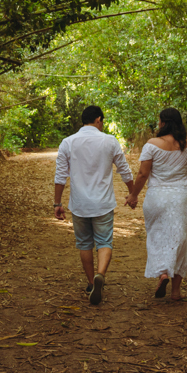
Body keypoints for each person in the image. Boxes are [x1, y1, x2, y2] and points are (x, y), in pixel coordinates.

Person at [54, 105, 135, 305]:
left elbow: (60, 176)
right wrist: (133, 193)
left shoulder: (68, 142)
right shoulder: (110, 141)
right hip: (103, 204)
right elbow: (124, 170)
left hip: (79, 204)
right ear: (98, 120)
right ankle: (101, 274)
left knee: (84, 244)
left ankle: (91, 283)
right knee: (105, 242)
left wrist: (57, 203)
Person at [125, 107, 187, 301]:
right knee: (181, 241)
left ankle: (162, 272)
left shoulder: (151, 145)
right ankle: (176, 291)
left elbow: (143, 174)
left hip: (156, 198)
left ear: (162, 122)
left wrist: (133, 195)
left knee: (157, 236)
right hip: (181, 199)